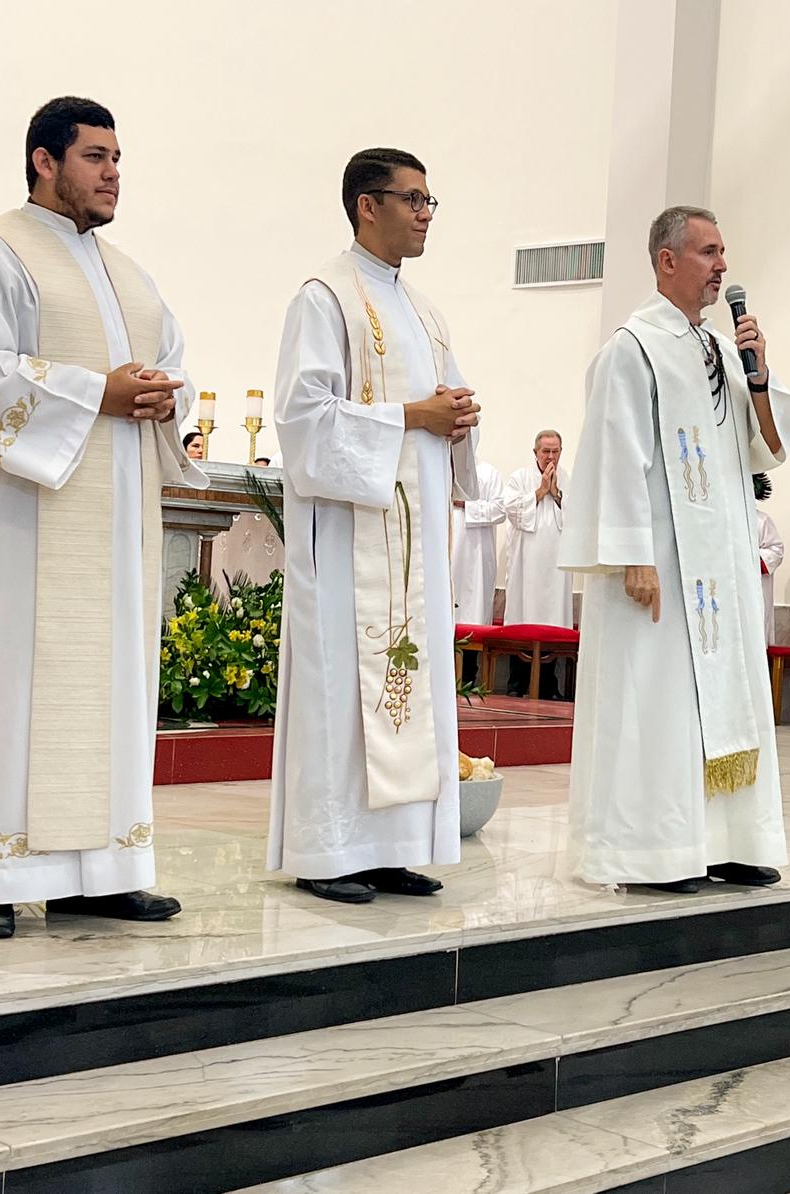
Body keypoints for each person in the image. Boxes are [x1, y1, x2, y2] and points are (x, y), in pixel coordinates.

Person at [0, 96, 204, 939]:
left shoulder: (130, 275)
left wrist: (166, 398)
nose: (113, 173)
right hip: (26, 522)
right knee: (12, 683)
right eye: (95, 156)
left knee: (111, 687)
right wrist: (98, 393)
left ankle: (102, 873)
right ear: (44, 161)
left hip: (115, 525)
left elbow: (173, 367)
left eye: (118, 158)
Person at [562, 205, 790, 893]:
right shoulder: (632, 349)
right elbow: (615, 455)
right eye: (708, 252)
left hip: (719, 564)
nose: (722, 266)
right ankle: (652, 852)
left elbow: (766, 448)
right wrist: (633, 555)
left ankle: (725, 842)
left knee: (721, 701)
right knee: (658, 704)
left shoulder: (719, 348)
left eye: (723, 252)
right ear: (667, 261)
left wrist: (760, 373)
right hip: (661, 565)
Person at [269, 147, 479, 905]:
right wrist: (412, 416)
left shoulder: (424, 312)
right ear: (368, 205)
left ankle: (391, 849)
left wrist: (458, 417)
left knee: (406, 689)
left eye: (429, 201)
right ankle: (329, 853)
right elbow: (303, 418)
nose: (425, 214)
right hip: (345, 542)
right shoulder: (324, 298)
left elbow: (440, 408)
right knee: (339, 695)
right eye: (412, 200)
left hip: (412, 547)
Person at [504, 430, 574, 697]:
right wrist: (540, 491)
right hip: (526, 563)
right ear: (535, 453)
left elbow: (577, 516)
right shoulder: (519, 478)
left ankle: (548, 685)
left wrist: (556, 494)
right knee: (523, 613)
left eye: (556, 451)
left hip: (556, 567)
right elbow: (511, 510)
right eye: (546, 451)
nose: (551, 457)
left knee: (552, 617)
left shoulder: (568, 479)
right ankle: (517, 683)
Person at [452, 459, 505, 625]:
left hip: (478, 555)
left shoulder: (488, 472)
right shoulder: (442, 470)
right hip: (448, 551)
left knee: (475, 603)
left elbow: (500, 510)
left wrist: (467, 505)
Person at [754, 474, 783, 645]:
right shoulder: (723, 521)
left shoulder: (761, 520)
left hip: (755, 583)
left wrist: (752, 559)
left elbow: (776, 550)